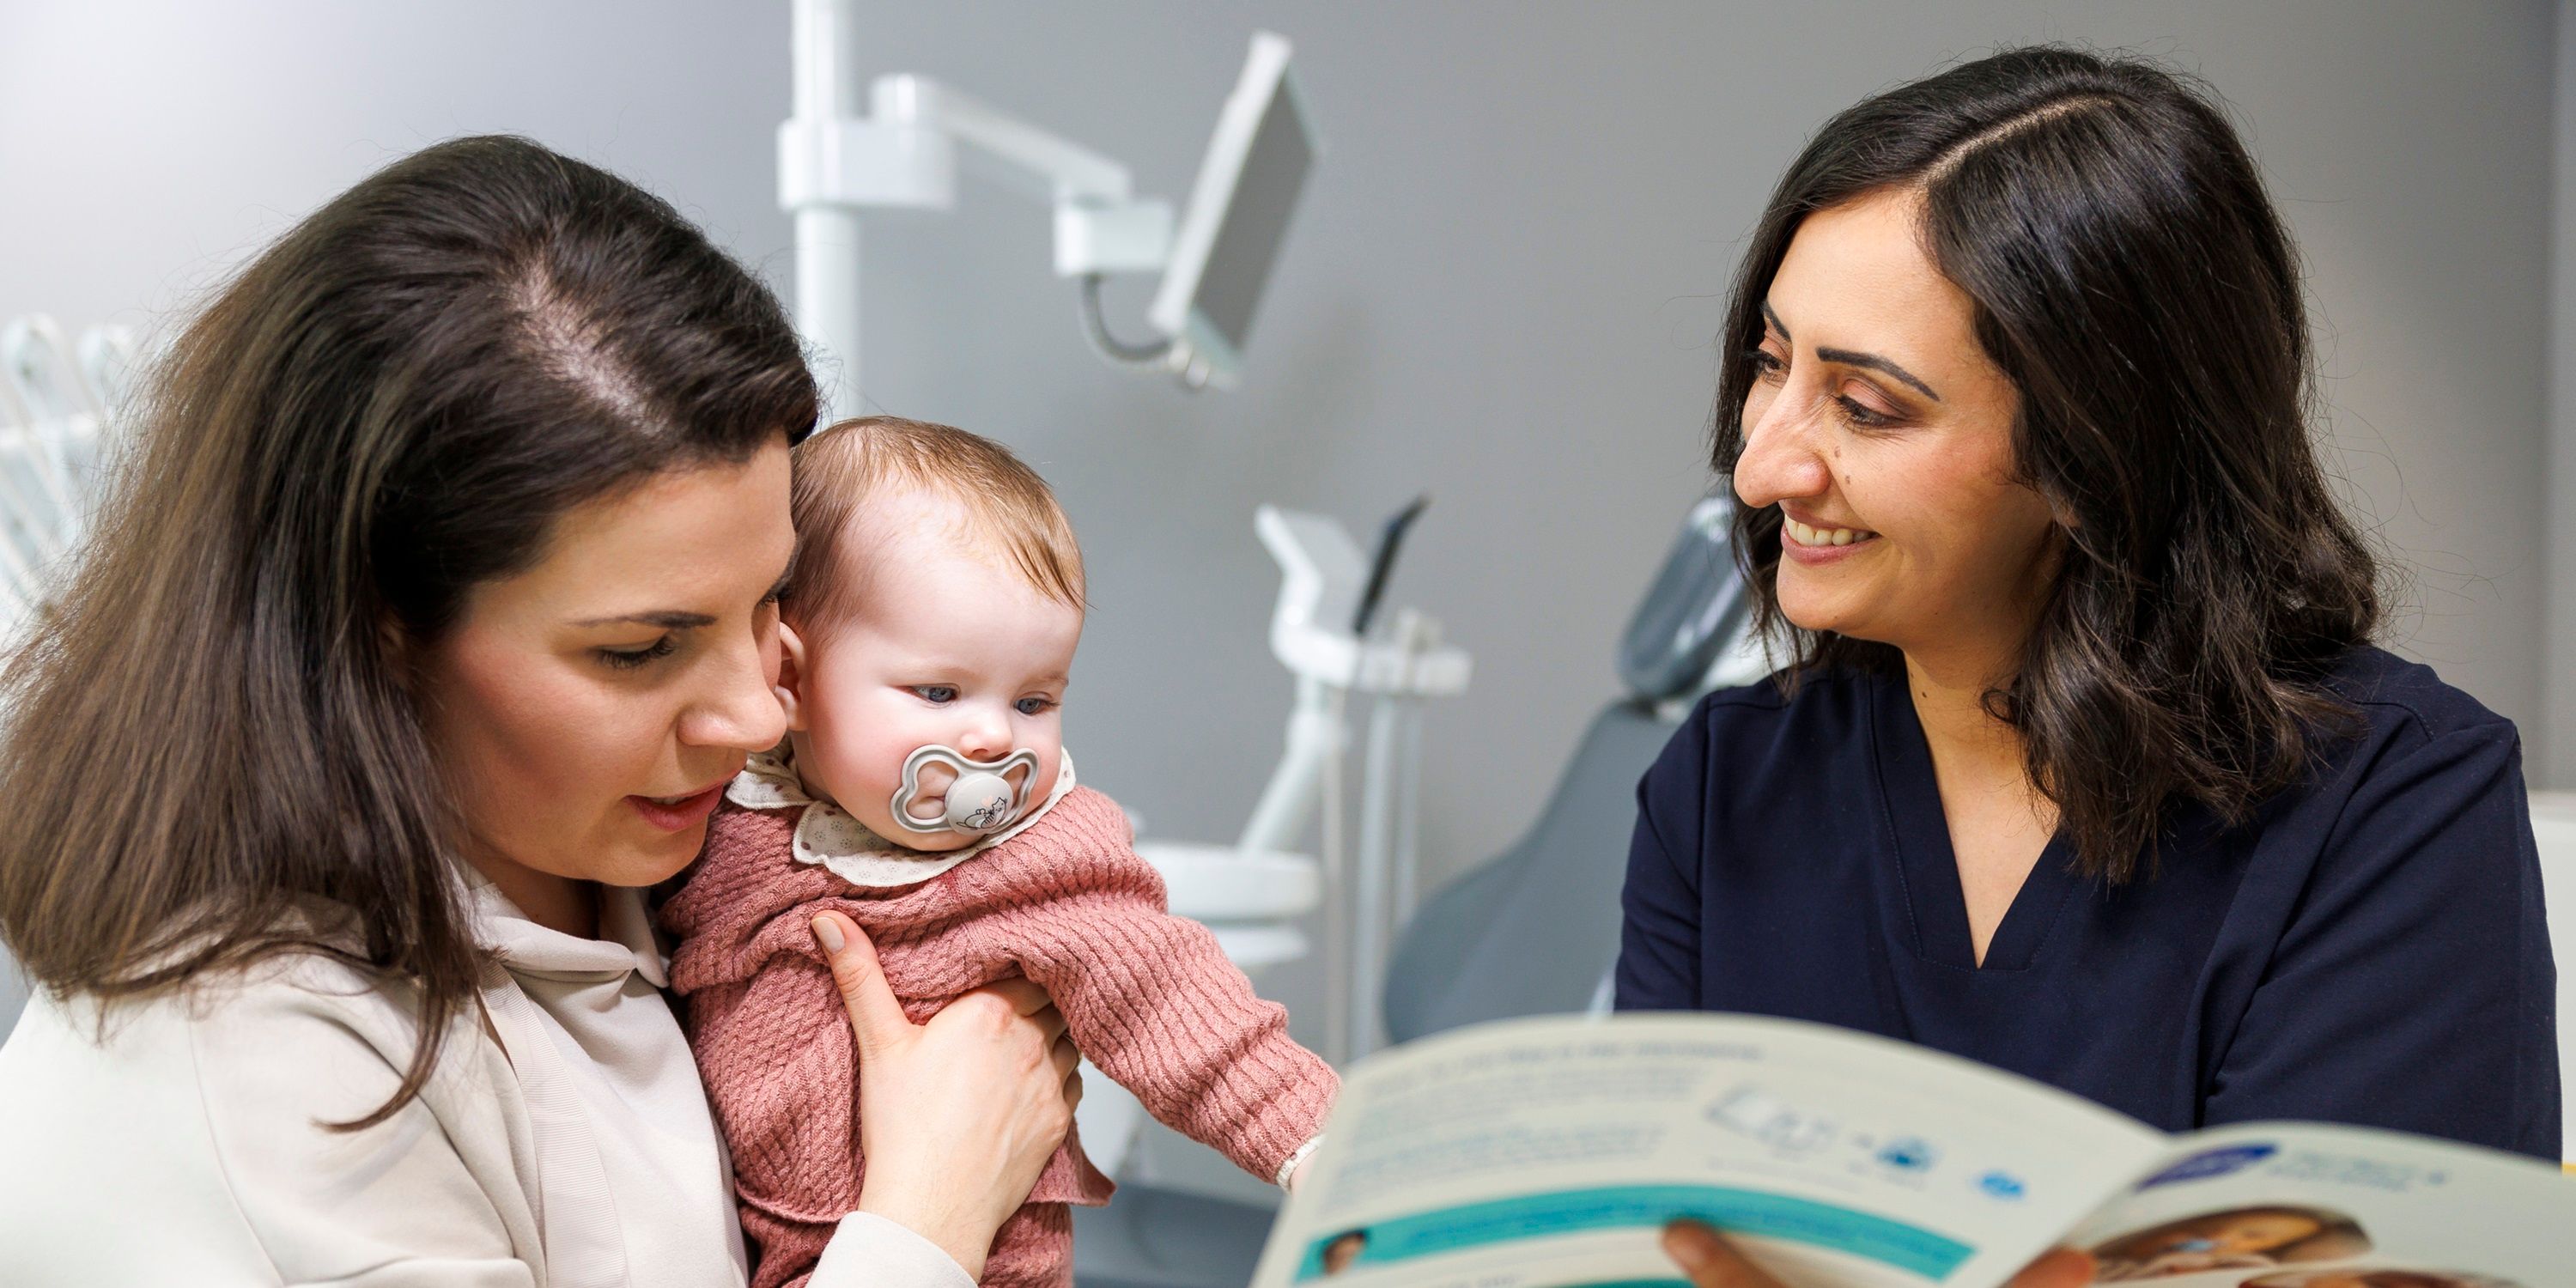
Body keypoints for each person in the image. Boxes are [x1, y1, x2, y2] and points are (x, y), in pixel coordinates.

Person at [0, 137, 1078, 1288]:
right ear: (377, 619)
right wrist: (929, 1216)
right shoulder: (260, 1074)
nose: (760, 716)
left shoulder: (633, 852)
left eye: (769, 601)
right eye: (640, 651)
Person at [1621, 43, 2557, 1288]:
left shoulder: (2394, 810)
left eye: (1869, 407)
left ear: (2094, 457)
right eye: (1772, 363)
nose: (1761, 468)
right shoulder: (1720, 794)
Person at [660, 416, 1336, 1288]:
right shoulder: (717, 816)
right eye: (938, 691)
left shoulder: (1043, 863)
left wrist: (1322, 1151)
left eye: (1034, 701)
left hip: (984, 1265)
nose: (990, 736)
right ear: (788, 680)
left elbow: (1183, 1010)